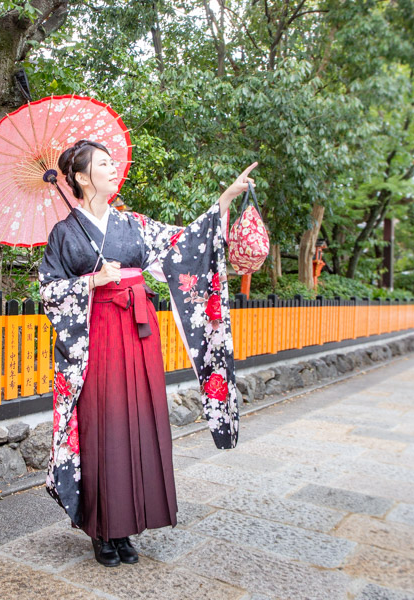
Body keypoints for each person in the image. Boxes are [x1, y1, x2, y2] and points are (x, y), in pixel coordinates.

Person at [38, 138, 256, 567]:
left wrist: (224, 201)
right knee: (104, 426)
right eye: (103, 163)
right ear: (82, 178)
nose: (112, 167)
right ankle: (103, 530)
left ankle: (129, 523)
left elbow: (184, 245)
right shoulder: (64, 233)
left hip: (138, 334)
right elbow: (49, 290)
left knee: (138, 421)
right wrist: (91, 282)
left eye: (111, 160)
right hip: (96, 335)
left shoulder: (132, 223)